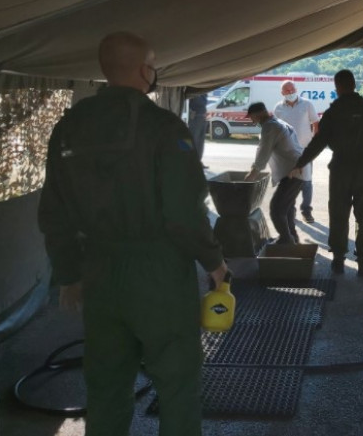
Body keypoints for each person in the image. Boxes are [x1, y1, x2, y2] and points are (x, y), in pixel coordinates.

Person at [37, 31, 228, 436]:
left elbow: (53, 209)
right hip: (158, 272)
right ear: (145, 70)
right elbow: (184, 213)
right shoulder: (163, 127)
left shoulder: (69, 126)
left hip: (100, 270)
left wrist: (69, 274)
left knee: (105, 387)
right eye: (153, 64)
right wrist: (214, 261)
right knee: (177, 385)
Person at [294, 69, 363, 275]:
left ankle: (338, 259)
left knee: (338, 213)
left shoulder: (332, 113)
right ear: (354, 85)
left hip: (340, 170)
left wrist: (301, 162)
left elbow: (318, 142)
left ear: (337, 88)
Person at [244, 102, 305, 244]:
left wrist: (252, 174)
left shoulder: (270, 126)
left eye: (252, 117)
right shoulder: (278, 122)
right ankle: (292, 237)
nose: (252, 121)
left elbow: (263, 153)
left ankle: (286, 241)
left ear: (258, 114)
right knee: (287, 208)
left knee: (276, 209)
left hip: (292, 172)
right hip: (297, 170)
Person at [274, 81, 319, 223]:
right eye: (287, 91)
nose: (290, 92)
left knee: (306, 182)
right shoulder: (278, 108)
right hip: (287, 152)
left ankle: (306, 211)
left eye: (292, 89)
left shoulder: (307, 104)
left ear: (296, 89)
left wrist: (314, 142)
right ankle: (290, 211)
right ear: (282, 93)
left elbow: (316, 123)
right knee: (288, 183)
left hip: (305, 151)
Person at [188, 93, 208, 166]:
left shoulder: (203, 92)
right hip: (195, 117)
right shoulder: (194, 91)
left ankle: (198, 161)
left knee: (200, 142)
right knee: (194, 140)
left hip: (202, 117)